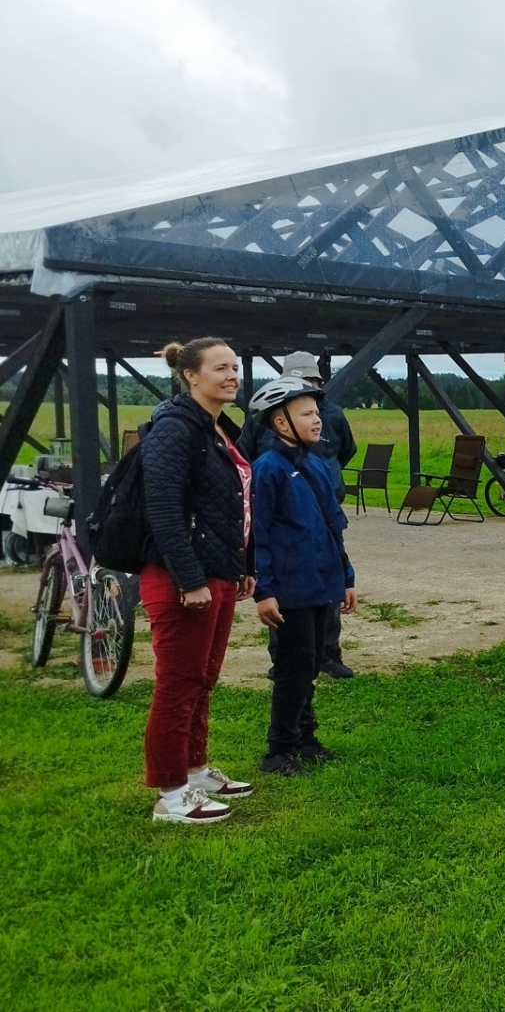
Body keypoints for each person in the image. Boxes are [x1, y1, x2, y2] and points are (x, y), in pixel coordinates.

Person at [142, 338, 256, 824]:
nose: (232, 376)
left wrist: (241, 566)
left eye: (235, 367)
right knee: (179, 682)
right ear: (190, 375)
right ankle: (171, 794)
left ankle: (195, 769)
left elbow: (229, 507)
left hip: (217, 572)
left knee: (203, 677)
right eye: (220, 368)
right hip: (181, 577)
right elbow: (164, 508)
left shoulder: (213, 429)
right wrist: (190, 579)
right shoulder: (175, 427)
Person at [247, 376, 358, 777]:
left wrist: (345, 577)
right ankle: (278, 752)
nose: (318, 421)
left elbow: (332, 525)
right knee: (292, 670)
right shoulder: (268, 470)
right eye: (307, 414)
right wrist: (265, 590)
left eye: (316, 412)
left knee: (311, 664)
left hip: (320, 584)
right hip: (289, 591)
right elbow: (256, 534)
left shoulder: (315, 464)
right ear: (280, 424)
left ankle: (306, 739)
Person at [241, 351, 359, 681]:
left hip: (323, 507)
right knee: (290, 592)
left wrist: (326, 474)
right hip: (282, 511)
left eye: (311, 383)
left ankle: (329, 654)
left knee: (325, 579)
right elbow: (244, 454)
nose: (306, 388)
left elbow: (347, 449)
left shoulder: (332, 416)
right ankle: (282, 658)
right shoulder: (265, 434)